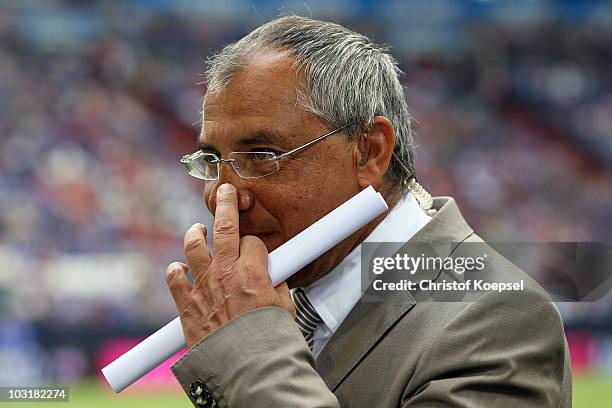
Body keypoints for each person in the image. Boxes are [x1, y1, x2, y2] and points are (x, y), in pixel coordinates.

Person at [164, 16, 572, 407]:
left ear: (370, 151)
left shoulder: (497, 320)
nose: (224, 194)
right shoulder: (287, 289)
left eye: (262, 155)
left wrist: (250, 351)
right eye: (210, 159)